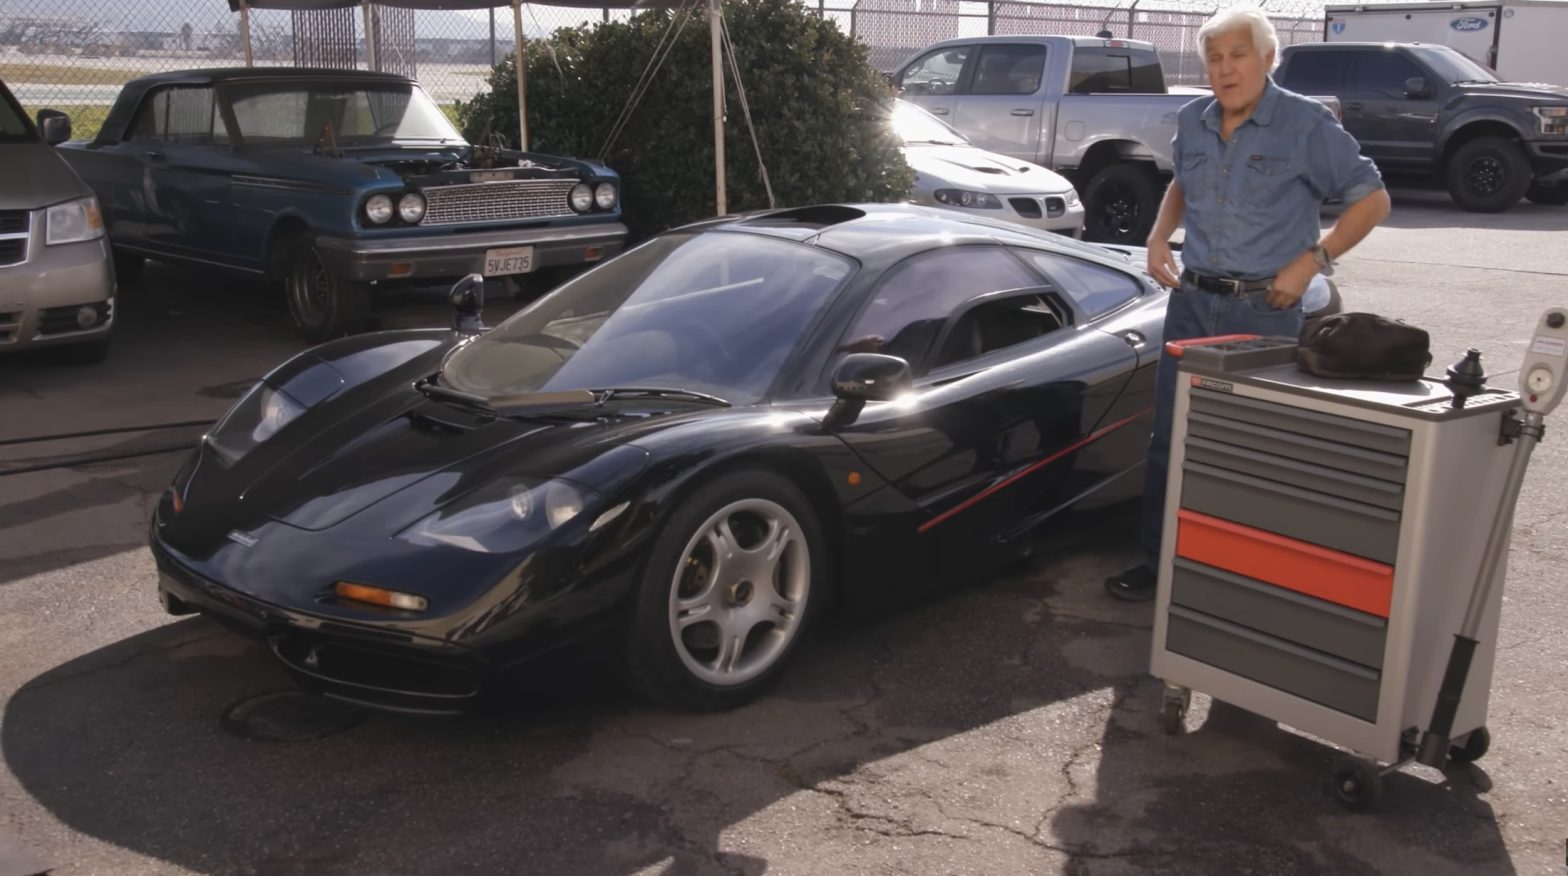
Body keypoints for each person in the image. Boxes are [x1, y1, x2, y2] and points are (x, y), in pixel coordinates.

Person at [1104, 6, 1392, 601]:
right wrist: (1160, 235)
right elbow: (1183, 181)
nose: (1225, 68)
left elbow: (1373, 200)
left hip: (1263, 311)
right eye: (1215, 57)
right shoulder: (1194, 118)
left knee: (1253, 451)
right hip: (1191, 304)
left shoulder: (1306, 125)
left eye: (1238, 54)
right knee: (1171, 440)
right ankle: (1160, 566)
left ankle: (1243, 578)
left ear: (1267, 59)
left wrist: (1313, 260)